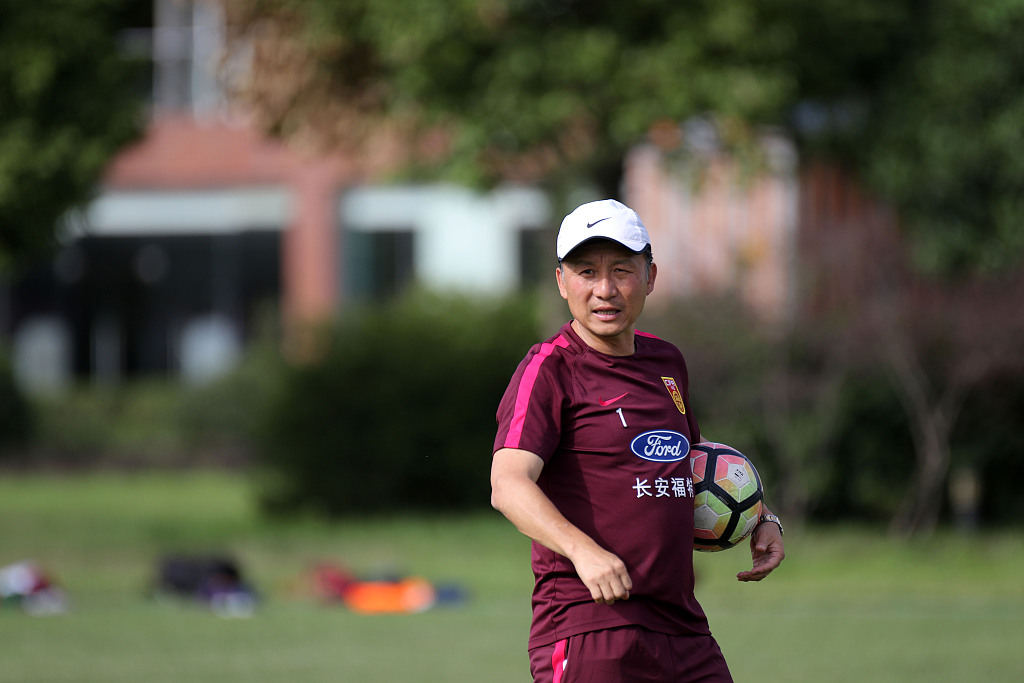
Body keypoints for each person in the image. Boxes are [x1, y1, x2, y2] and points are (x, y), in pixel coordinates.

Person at [490, 199, 785, 683]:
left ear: (650, 277)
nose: (604, 290)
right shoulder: (549, 369)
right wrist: (583, 551)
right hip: (590, 626)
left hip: (682, 627)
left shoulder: (666, 362)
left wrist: (759, 515)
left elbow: (692, 456)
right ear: (562, 281)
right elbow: (508, 484)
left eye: (622, 271)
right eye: (587, 272)